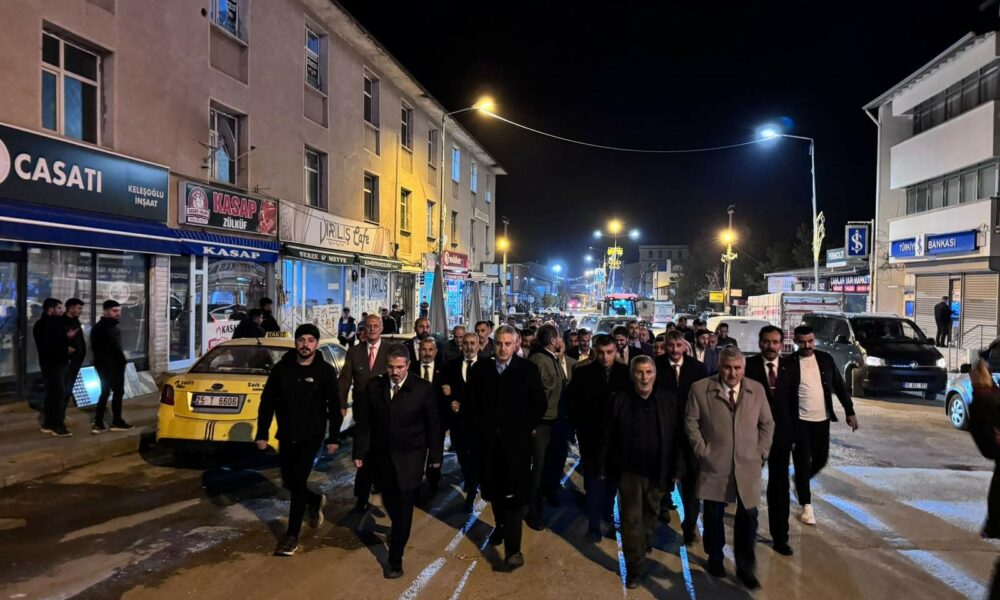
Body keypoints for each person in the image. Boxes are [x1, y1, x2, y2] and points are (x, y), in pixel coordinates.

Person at [686, 346, 774, 590]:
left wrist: (760, 452)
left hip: (748, 464)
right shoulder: (700, 389)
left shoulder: (756, 390)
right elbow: (691, 422)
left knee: (749, 517)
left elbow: (767, 424)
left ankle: (745, 567)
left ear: (743, 368)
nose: (732, 373)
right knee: (713, 514)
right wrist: (703, 451)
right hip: (715, 463)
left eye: (737, 368)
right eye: (727, 367)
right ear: (719, 367)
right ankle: (715, 557)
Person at [353, 344, 441, 578]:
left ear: (408, 366)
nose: (395, 372)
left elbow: (433, 424)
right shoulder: (375, 386)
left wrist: (435, 456)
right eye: (391, 367)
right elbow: (364, 422)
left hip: (410, 458)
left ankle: (395, 559)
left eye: (400, 367)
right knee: (389, 500)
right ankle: (397, 531)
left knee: (403, 509)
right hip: (381, 457)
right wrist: (359, 451)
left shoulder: (422, 389)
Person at [255, 323, 342, 557]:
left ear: (316, 344)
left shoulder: (324, 371)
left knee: (298, 481)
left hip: (312, 436)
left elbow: (335, 406)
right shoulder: (282, 369)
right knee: (290, 481)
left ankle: (291, 536)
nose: (305, 345)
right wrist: (262, 432)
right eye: (301, 340)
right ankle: (314, 499)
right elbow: (267, 402)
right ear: (295, 343)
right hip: (286, 434)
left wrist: (334, 436)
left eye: (310, 341)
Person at [466, 325, 546, 571]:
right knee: (494, 493)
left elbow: (539, 404)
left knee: (513, 498)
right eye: (499, 343)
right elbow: (471, 404)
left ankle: (513, 550)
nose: (503, 348)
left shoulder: (528, 370)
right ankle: (500, 525)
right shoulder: (481, 370)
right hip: (488, 446)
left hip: (516, 447)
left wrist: (523, 428)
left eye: (507, 344)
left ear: (516, 344)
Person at [598, 356, 681, 589]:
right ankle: (634, 568)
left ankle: (642, 543)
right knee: (631, 520)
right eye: (639, 372)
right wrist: (602, 467)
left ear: (655, 374)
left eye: (648, 372)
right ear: (632, 375)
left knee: (651, 514)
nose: (644, 377)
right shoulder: (619, 400)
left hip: (657, 471)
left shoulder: (667, 399)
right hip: (629, 472)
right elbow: (607, 435)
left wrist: (677, 468)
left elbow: (676, 436)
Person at [792, 325, 859, 526]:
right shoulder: (789, 363)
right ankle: (806, 505)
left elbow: (839, 385)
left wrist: (849, 410)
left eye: (810, 341)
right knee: (802, 462)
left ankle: (800, 480)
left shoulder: (825, 360)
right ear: (795, 342)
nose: (807, 346)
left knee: (821, 459)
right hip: (799, 422)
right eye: (802, 342)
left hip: (822, 420)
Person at [566, 333, 630, 541]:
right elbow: (572, 403)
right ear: (595, 351)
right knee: (593, 481)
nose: (605, 357)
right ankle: (594, 525)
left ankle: (606, 512)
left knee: (612, 480)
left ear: (616, 351)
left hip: (617, 438)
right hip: (591, 437)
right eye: (601, 352)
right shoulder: (582, 373)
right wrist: (576, 428)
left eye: (609, 352)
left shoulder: (626, 373)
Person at [745, 325, 800, 556]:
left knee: (779, 488)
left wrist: (795, 434)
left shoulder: (791, 367)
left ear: (781, 344)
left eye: (775, 342)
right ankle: (747, 533)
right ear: (760, 343)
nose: (771, 346)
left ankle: (780, 538)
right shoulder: (748, 366)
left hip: (782, 437)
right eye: (766, 341)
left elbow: (794, 402)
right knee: (748, 486)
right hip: (753, 436)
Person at [654, 330, 708, 536]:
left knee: (692, 480)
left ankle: (690, 523)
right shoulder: (656, 366)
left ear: (685, 346)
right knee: (663, 474)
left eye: (678, 345)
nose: (674, 350)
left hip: (690, 432)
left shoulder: (698, 369)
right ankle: (662, 506)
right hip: (664, 431)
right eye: (670, 345)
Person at [339, 314, 392, 513]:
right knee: (363, 454)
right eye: (368, 326)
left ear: (381, 328)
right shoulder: (354, 352)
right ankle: (361, 497)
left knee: (383, 454)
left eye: (375, 325)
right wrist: (341, 404)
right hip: (363, 413)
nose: (372, 329)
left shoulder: (390, 350)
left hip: (385, 412)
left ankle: (383, 489)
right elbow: (345, 379)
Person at [526, 324, 570, 530]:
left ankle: (547, 495)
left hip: (555, 421)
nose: (561, 341)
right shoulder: (538, 360)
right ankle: (533, 511)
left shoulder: (551, 358)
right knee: (539, 468)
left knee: (552, 463)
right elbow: (533, 394)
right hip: (542, 423)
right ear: (553, 340)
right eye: (559, 338)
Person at [443, 332, 482, 510]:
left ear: (478, 345)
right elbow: (445, 389)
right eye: (465, 343)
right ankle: (470, 479)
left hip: (478, 423)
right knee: (462, 456)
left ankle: (471, 492)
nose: (468, 346)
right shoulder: (451, 365)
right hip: (458, 423)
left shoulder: (487, 366)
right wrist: (450, 401)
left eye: (472, 343)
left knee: (475, 457)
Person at [90, 300, 134, 433]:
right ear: (105, 311)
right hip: (108, 366)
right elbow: (107, 349)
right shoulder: (102, 328)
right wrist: (119, 361)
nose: (118, 313)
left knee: (114, 392)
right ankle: (105, 422)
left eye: (119, 311)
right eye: (114, 311)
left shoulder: (112, 327)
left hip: (112, 365)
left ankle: (108, 421)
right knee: (108, 392)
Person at [411, 336, 447, 495]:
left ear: (436, 351)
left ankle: (433, 484)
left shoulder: (444, 370)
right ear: (418, 351)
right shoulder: (410, 368)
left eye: (430, 349)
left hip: (437, 423)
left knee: (435, 456)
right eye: (423, 349)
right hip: (415, 423)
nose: (427, 353)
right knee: (416, 456)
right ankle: (414, 483)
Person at [33, 298, 74, 437]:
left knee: (53, 394)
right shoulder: (43, 325)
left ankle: (49, 423)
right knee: (57, 394)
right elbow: (48, 346)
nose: (61, 311)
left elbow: (56, 341)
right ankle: (57, 425)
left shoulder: (54, 323)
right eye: (58, 308)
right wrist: (65, 348)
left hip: (58, 363)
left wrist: (66, 337)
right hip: (52, 364)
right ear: (50, 309)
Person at [62, 298, 86, 409]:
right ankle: (59, 411)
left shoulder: (75, 321)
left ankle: (62, 410)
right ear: (71, 308)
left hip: (77, 359)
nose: (80, 311)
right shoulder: (62, 322)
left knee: (69, 384)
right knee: (65, 385)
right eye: (79, 308)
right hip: (68, 360)